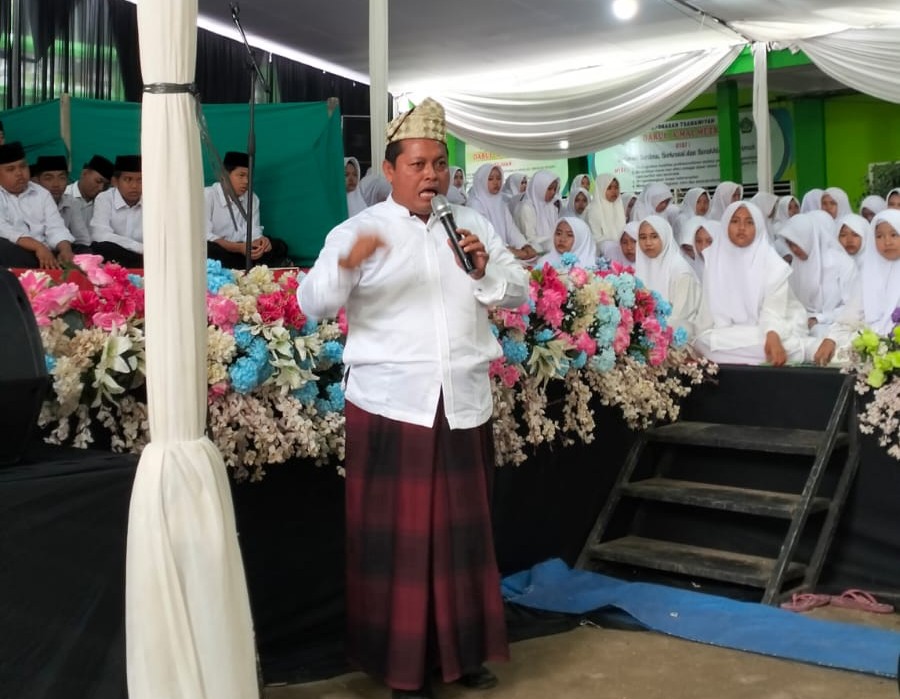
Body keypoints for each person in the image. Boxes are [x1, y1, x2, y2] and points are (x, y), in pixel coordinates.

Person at [298, 97, 523, 699]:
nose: (431, 176)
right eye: (418, 164)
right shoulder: (358, 230)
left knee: (462, 540)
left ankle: (463, 654)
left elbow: (518, 291)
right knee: (398, 544)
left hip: (463, 401)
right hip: (391, 404)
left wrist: (484, 271)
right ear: (391, 169)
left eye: (439, 165)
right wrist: (345, 267)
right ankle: (402, 665)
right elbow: (312, 302)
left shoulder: (471, 226)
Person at [693, 201, 808, 366]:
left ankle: (776, 350)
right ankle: (766, 354)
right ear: (725, 225)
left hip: (771, 328)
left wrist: (772, 335)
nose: (741, 228)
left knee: (787, 344)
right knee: (703, 341)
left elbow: (773, 312)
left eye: (749, 222)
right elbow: (707, 313)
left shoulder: (774, 264)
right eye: (735, 221)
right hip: (729, 333)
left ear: (759, 227)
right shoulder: (713, 259)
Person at [778, 211, 862, 365]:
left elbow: (852, 308)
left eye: (797, 243)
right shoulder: (796, 266)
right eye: (790, 244)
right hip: (804, 327)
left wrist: (819, 319)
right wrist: (802, 320)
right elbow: (792, 305)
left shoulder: (842, 264)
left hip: (838, 327)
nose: (794, 249)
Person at [204, 151, 288, 268]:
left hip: (244, 249)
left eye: (249, 177)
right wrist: (238, 248)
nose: (246, 181)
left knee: (278, 246)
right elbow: (205, 235)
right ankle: (252, 265)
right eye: (241, 175)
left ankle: (246, 264)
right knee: (208, 249)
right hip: (221, 249)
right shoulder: (207, 195)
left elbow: (254, 232)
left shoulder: (252, 198)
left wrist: (261, 241)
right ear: (224, 175)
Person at [0, 141, 75, 269]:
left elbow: (56, 227)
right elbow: (4, 230)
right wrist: (37, 247)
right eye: (11, 169)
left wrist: (65, 249)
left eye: (23, 166)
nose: (19, 173)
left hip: (47, 252)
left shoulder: (41, 193)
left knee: (84, 250)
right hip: (18, 251)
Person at [636, 215, 701, 339]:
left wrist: (654, 334)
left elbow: (680, 317)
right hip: (647, 335)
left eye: (654, 236)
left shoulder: (681, 271)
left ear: (665, 236)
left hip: (677, 336)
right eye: (643, 237)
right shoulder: (642, 266)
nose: (648, 243)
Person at [466, 163, 537, 262]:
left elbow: (511, 229)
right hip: (487, 257)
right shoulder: (475, 205)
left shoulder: (501, 202)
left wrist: (524, 245)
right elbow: (485, 237)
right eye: (490, 179)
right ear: (481, 181)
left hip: (505, 251)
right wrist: (511, 251)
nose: (496, 182)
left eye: (499, 178)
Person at [90, 154, 144, 268]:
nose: (134, 186)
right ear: (115, 181)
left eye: (140, 180)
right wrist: (137, 247)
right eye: (128, 179)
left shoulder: (152, 200)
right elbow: (100, 234)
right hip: (119, 254)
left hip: (146, 256)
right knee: (101, 247)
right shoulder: (105, 198)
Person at [33, 154, 92, 253]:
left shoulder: (71, 202)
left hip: (64, 251)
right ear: (37, 181)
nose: (56, 184)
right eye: (48, 178)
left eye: (62, 178)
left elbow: (82, 239)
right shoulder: (30, 203)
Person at [861, 209, 900, 335]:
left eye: (894, 235)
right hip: (872, 337)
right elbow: (851, 314)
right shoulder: (867, 272)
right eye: (879, 236)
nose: (887, 242)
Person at [65, 154, 114, 239]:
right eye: (98, 181)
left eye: (106, 185)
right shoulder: (65, 196)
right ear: (84, 173)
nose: (101, 188)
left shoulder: (106, 201)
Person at [512, 169, 560, 254]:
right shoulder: (526, 208)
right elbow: (530, 239)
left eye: (555, 189)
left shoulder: (551, 207)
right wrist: (552, 241)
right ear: (539, 188)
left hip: (553, 250)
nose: (553, 192)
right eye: (549, 189)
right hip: (533, 253)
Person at [584, 173, 625, 246]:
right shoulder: (593, 210)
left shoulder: (618, 206)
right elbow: (595, 238)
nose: (614, 191)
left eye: (616, 187)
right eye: (609, 188)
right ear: (600, 188)